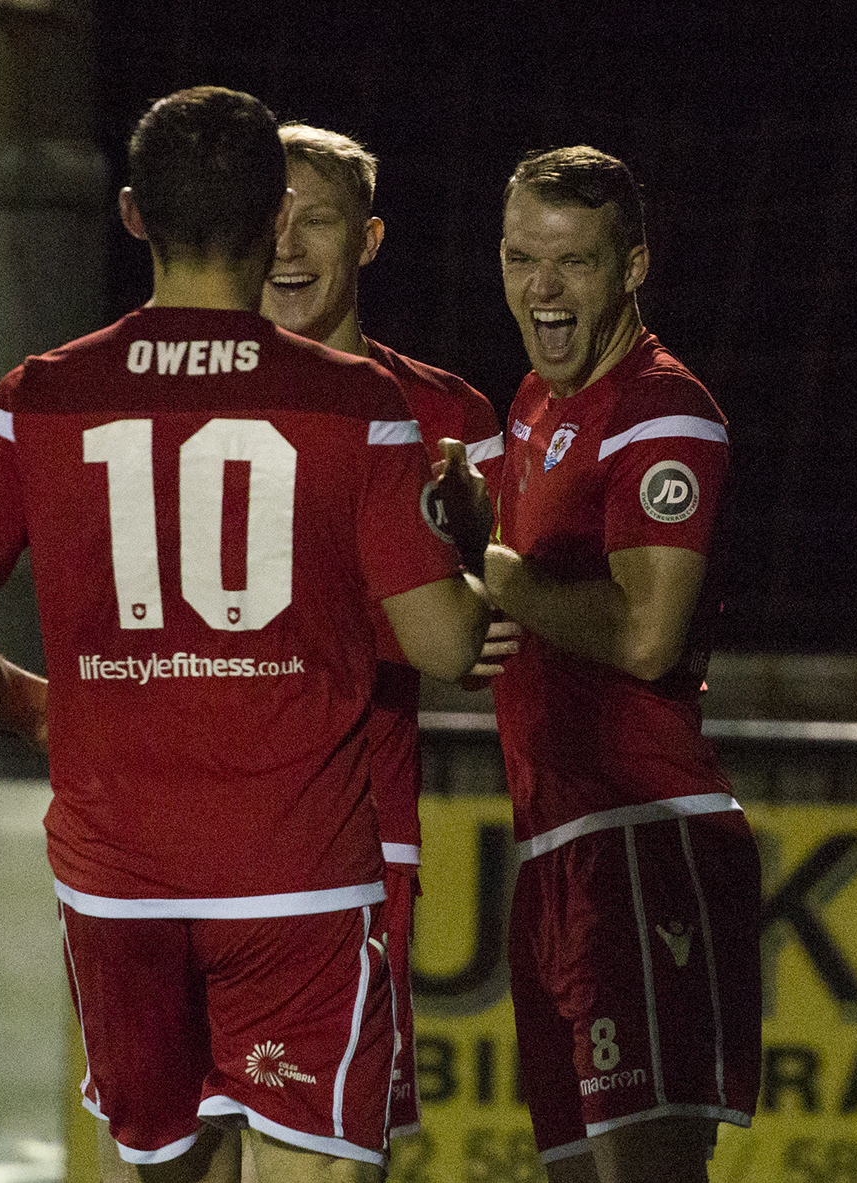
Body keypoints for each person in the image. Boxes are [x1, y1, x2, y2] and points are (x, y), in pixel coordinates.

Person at [0, 86, 488, 1183]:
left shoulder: (41, 394)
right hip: (298, 883)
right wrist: (474, 543)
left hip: (119, 887)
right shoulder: (358, 403)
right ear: (275, 221)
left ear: (131, 214)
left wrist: (35, 707)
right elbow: (449, 645)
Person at [472, 147, 762, 1183]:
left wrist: (498, 578)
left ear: (633, 266)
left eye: (574, 262)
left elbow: (648, 635)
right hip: (555, 849)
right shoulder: (536, 403)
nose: (542, 290)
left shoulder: (662, 411)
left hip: (642, 841)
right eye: (520, 259)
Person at [259, 121, 506, 1145]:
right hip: (180, 832)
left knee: (344, 1146)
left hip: (359, 832)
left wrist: (464, 569)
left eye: (315, 220)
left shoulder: (448, 416)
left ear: (368, 238)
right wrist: (409, 607)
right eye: (266, 218)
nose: (285, 245)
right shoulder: (180, 397)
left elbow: (490, 639)